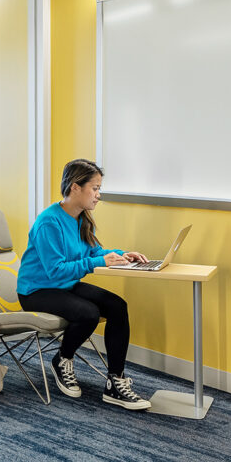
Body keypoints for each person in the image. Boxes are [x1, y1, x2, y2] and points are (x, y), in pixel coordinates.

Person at [16, 158, 153, 411]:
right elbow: (55, 270)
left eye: (99, 189)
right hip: (37, 290)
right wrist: (98, 262)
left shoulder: (81, 218)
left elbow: (93, 252)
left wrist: (122, 255)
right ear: (75, 187)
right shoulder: (49, 222)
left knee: (117, 306)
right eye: (95, 188)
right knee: (88, 313)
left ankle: (115, 382)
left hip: (64, 285)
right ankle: (62, 359)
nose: (98, 195)